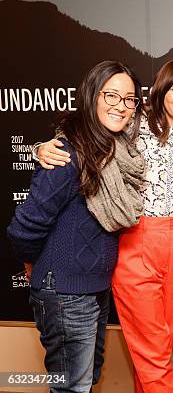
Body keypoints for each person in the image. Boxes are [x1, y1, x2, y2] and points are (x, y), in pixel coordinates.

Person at [35, 59, 173, 392]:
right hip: (137, 239)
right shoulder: (134, 123)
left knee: (160, 346)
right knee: (153, 355)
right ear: (160, 90)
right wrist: (40, 148)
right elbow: (82, 133)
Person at [7, 60, 145, 392]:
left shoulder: (114, 149)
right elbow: (23, 227)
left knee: (84, 380)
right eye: (111, 95)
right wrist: (34, 263)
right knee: (72, 386)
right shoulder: (68, 154)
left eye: (129, 99)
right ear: (91, 96)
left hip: (93, 288)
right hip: (66, 291)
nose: (121, 106)